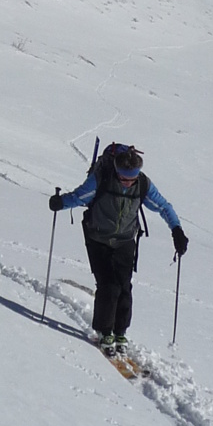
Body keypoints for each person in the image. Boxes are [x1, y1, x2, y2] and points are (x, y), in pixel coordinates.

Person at [49, 143, 188, 354]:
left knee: (124, 286)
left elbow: (163, 206)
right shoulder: (102, 178)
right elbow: (79, 197)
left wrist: (176, 229)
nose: (128, 183)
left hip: (125, 240)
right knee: (108, 285)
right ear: (116, 170)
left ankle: (120, 331)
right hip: (98, 238)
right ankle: (105, 331)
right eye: (124, 178)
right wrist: (60, 202)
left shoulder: (142, 184)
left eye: (132, 179)